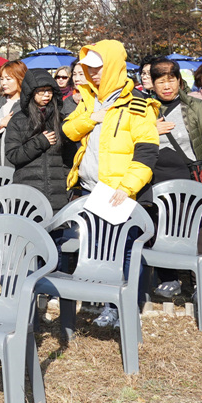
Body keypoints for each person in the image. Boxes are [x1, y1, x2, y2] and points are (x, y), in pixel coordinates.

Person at [63, 41, 159, 328]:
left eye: (98, 69)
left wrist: (127, 187)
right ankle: (107, 303)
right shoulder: (88, 100)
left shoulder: (138, 104)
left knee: (127, 250)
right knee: (99, 248)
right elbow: (69, 129)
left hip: (121, 193)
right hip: (91, 190)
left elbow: (147, 151)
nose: (92, 75)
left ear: (114, 66)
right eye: (88, 69)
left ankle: (126, 308)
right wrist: (92, 118)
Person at [145, 59, 202, 298]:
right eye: (161, 81)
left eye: (171, 80)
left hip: (189, 176)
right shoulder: (143, 109)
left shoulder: (196, 107)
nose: (167, 86)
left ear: (180, 81)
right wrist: (151, 129)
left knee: (196, 228)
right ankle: (168, 278)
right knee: (158, 226)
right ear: (153, 84)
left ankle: (198, 281)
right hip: (155, 179)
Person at [5, 69, 71, 209]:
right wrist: (40, 142)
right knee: (29, 229)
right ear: (30, 92)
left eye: (49, 91)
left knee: (57, 230)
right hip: (28, 191)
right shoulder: (18, 120)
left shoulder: (60, 119)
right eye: (41, 91)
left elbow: (68, 157)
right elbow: (13, 155)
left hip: (57, 192)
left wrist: (65, 182)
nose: (46, 95)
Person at [0, 60, 26, 167]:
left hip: (21, 163)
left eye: (8, 79)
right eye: (2, 79)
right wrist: (0, 123)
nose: (4, 83)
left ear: (20, 79)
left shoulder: (27, 104)